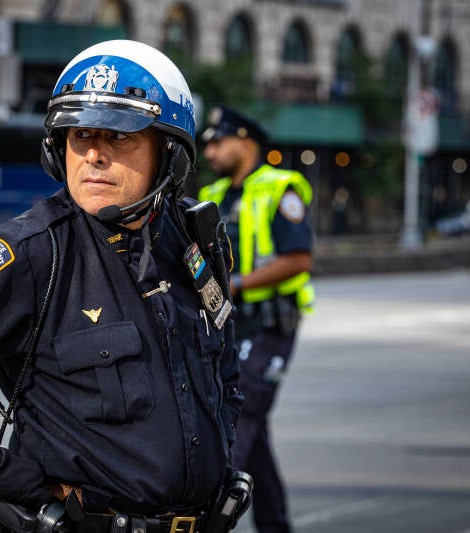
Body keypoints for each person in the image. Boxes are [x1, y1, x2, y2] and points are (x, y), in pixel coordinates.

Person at [0, 40, 248, 533]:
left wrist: (221, 446)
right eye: (80, 135)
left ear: (170, 154)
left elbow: (224, 357)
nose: (94, 154)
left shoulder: (194, 240)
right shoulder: (32, 251)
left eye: (119, 137)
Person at [198, 106, 315, 533]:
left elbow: (299, 259)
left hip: (269, 326)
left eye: (217, 141)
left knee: (240, 416)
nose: (209, 150)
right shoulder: (215, 194)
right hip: (230, 327)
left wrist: (238, 284)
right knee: (255, 439)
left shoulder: (280, 188)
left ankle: (208, 518)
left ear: (245, 142)